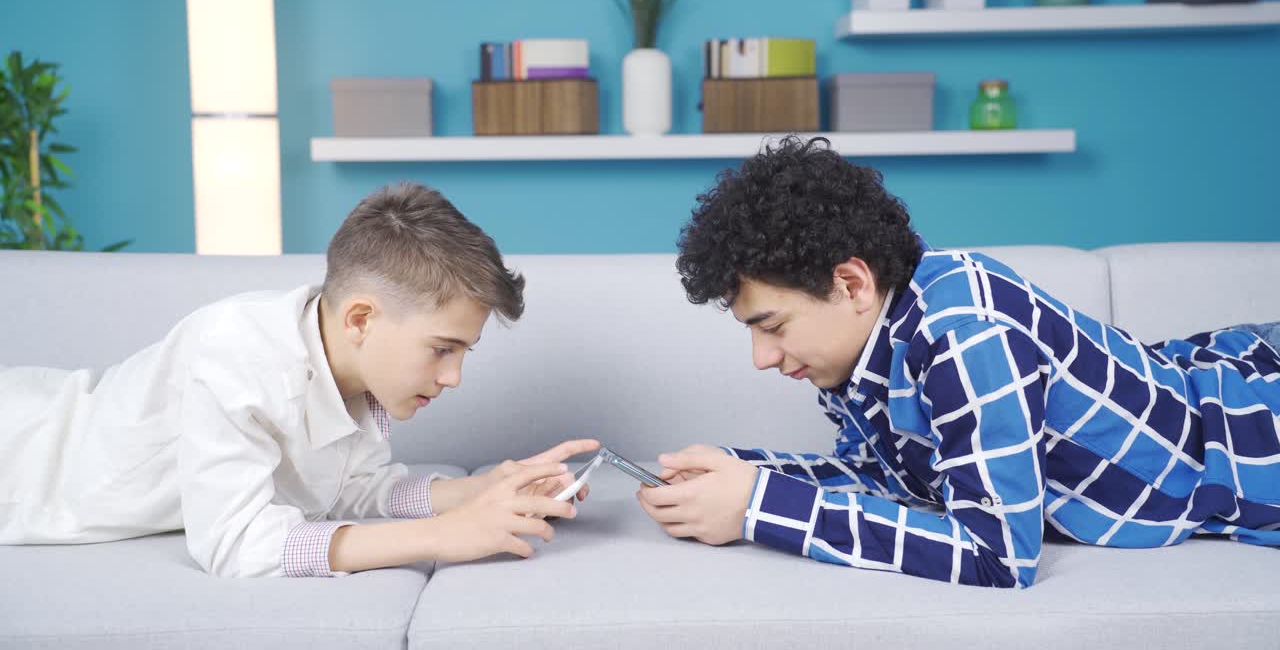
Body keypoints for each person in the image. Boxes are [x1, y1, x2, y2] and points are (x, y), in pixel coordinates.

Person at [636, 136, 1280, 588]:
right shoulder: (870, 337)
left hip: (1253, 426)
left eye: (771, 326)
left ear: (851, 283)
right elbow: (900, 480)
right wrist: (745, 473)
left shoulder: (964, 336)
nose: (762, 358)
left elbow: (997, 556)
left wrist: (757, 508)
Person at [0, 182, 596, 577]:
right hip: (22, 457)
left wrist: (477, 491)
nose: (455, 376)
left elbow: (342, 490)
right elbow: (234, 544)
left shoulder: (344, 361)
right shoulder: (239, 356)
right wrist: (443, 536)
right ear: (362, 317)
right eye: (443, 349)